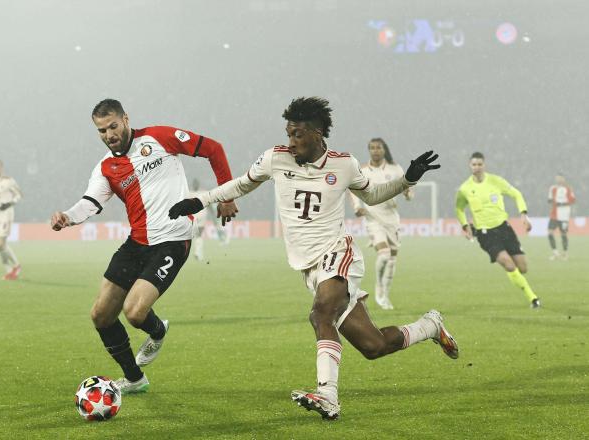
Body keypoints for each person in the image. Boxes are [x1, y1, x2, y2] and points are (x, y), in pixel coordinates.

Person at [168, 97, 458, 420]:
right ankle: (430, 326)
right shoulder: (275, 158)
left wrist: (408, 179)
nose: (291, 142)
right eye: (288, 133)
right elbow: (241, 184)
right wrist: (200, 201)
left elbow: (372, 195)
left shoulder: (344, 164)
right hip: (309, 268)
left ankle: (327, 396)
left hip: (338, 253)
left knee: (321, 315)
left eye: (298, 134)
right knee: (373, 346)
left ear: (318, 133)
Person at [50, 99, 237, 394]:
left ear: (125, 119)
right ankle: (135, 379)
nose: (109, 134)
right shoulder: (106, 168)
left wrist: (226, 195)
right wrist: (67, 217)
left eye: (113, 125)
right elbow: (91, 202)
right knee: (100, 315)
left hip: (173, 239)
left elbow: (213, 148)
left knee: (135, 313)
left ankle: (157, 330)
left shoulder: (159, 137)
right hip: (136, 243)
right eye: (102, 130)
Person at [455, 152, 541, 308]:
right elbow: (459, 208)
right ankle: (533, 298)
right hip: (485, 234)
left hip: (504, 229)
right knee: (508, 264)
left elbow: (517, 194)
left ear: (484, 165)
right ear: (470, 166)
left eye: (479, 164)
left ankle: (517, 279)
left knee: (523, 268)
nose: (477, 167)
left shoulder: (496, 181)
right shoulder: (465, 188)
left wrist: (523, 214)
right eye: (474, 164)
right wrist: (464, 225)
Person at [349, 138, 413, 310]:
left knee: (392, 259)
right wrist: (357, 206)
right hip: (372, 218)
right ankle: (378, 288)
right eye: (372, 148)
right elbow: (353, 190)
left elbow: (408, 191)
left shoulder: (395, 169)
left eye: (379, 147)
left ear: (384, 150)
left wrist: (407, 194)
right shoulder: (362, 170)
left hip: (392, 219)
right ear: (369, 150)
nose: (375, 151)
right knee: (384, 255)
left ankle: (385, 294)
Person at [547, 174, 575, 260]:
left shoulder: (568, 188)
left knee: (563, 234)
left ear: (563, 179)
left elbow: (573, 200)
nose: (558, 179)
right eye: (557, 178)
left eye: (560, 178)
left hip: (563, 215)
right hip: (554, 214)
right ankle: (555, 253)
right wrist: (551, 202)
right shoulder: (553, 188)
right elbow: (549, 200)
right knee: (550, 232)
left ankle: (565, 253)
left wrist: (562, 204)